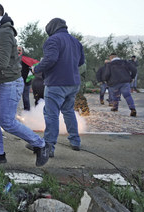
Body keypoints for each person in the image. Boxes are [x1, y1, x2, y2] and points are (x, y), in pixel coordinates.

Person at [0, 3, 50, 166]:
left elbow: (1, 61)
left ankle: (41, 145)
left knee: (6, 121)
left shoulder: (2, 32)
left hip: (8, 83)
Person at [32, 18, 85, 157]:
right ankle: (75, 141)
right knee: (68, 111)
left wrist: (36, 69)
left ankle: (49, 147)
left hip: (56, 83)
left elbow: (50, 59)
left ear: (51, 28)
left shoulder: (53, 40)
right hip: (73, 83)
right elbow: (81, 61)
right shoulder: (76, 41)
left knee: (51, 115)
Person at [17, 46, 32, 111]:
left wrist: (29, 80)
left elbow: (33, 70)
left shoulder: (26, 59)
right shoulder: (14, 59)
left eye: (19, 50)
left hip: (26, 82)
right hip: (16, 82)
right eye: (17, 50)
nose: (18, 51)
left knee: (25, 98)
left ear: (22, 51)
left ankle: (27, 112)